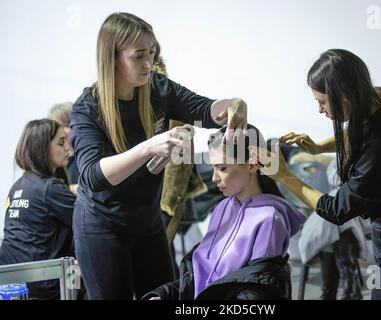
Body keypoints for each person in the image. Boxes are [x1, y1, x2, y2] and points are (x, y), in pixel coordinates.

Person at [70, 12, 248, 300]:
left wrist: (235, 104)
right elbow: (93, 177)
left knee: (165, 295)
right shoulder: (88, 108)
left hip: (146, 221)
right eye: (138, 56)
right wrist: (148, 148)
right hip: (102, 225)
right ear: (112, 58)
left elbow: (206, 111)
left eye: (151, 53)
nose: (148, 63)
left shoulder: (158, 89)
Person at [252, 49, 381, 300]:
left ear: (344, 95)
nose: (319, 110)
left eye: (322, 101)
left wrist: (284, 176)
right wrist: (319, 148)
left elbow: (337, 210)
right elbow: (358, 131)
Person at [144, 125, 305, 300]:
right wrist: (164, 294)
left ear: (252, 165)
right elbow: (202, 276)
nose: (214, 178)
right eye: (213, 167)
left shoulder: (270, 220)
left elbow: (255, 292)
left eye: (222, 168)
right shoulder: (223, 208)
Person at [0, 119, 75, 299]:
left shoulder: (18, 186)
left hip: (11, 284)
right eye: (60, 142)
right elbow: (90, 219)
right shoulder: (50, 189)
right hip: (43, 286)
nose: (68, 148)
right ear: (41, 147)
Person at [48, 102, 79, 194]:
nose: (62, 131)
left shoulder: (85, 158)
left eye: (66, 125)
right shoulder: (52, 162)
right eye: (58, 127)